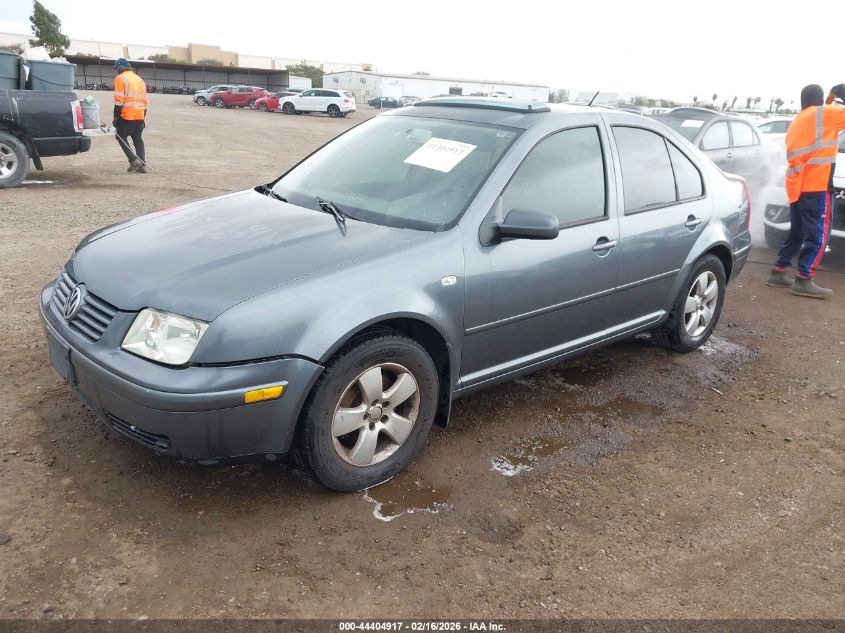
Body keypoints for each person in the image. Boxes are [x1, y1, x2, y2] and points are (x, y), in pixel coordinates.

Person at [768, 83, 845, 298]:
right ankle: (803, 279)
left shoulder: (799, 120)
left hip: (797, 186)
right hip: (817, 185)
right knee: (819, 235)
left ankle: (779, 271)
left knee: (798, 232)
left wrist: (831, 99)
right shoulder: (822, 114)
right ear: (819, 100)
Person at [112, 58, 148, 173]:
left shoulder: (120, 78)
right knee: (137, 138)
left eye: (116, 68)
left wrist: (116, 117)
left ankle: (133, 160)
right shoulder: (139, 79)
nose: (116, 70)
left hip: (127, 115)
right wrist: (143, 117)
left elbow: (119, 101)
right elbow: (145, 101)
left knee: (120, 135)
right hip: (140, 115)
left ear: (120, 67)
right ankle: (142, 165)